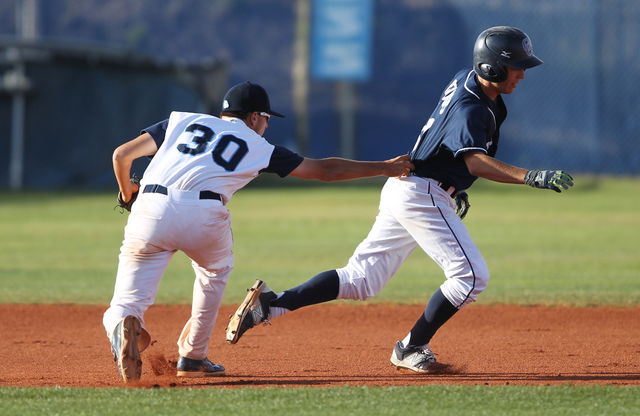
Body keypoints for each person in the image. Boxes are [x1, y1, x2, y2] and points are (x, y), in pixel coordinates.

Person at [225, 26, 574, 374]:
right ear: (491, 68)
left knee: (361, 279)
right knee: (470, 276)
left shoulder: (467, 82)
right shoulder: (474, 109)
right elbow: (473, 160)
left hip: (408, 187)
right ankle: (412, 347)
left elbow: (447, 144)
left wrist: (456, 182)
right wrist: (530, 176)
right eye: (516, 66)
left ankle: (270, 306)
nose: (522, 74)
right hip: (422, 193)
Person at [103, 81, 414, 383]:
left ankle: (122, 324)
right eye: (265, 118)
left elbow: (121, 155)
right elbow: (325, 171)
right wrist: (385, 167)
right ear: (253, 117)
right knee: (214, 270)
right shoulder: (258, 145)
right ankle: (193, 356)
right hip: (205, 213)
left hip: (151, 207)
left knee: (127, 299)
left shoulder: (181, 121)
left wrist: (128, 193)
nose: (266, 125)